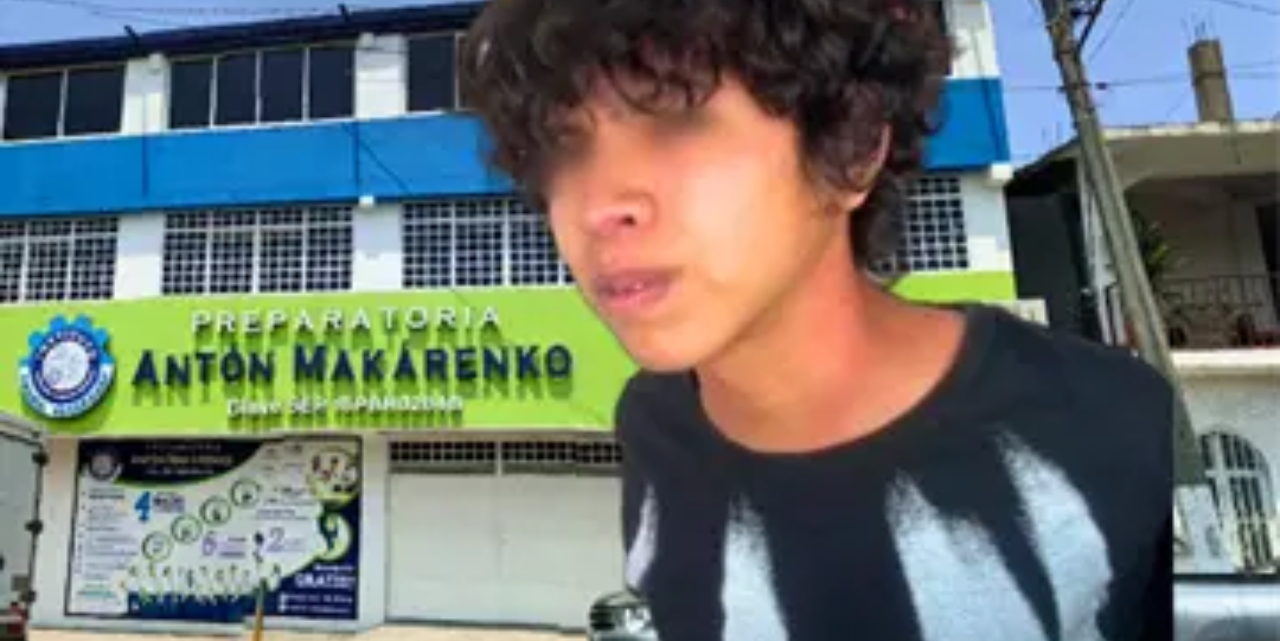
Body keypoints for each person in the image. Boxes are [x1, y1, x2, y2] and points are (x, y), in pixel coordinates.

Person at [459, 0, 1173, 639]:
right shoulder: (653, 423)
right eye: (566, 147)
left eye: (678, 123)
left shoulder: (1112, 421)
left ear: (852, 147)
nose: (596, 206)